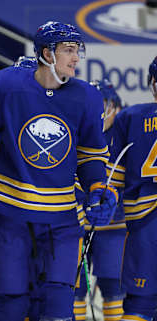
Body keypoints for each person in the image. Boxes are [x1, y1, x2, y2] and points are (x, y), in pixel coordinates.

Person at [0, 21, 118, 321]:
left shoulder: (87, 97)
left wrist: (97, 189)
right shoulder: (7, 85)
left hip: (62, 221)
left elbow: (90, 155)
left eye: (77, 51)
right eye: (68, 50)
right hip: (10, 217)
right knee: (11, 304)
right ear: (46, 53)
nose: (76, 58)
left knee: (57, 306)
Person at [109, 56, 157, 321]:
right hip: (145, 226)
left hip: (144, 225)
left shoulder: (130, 117)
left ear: (152, 83)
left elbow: (111, 179)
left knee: (139, 306)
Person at [73, 79, 126, 321]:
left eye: (105, 104)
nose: (101, 111)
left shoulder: (125, 131)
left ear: (115, 105)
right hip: (78, 222)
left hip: (114, 226)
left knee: (113, 288)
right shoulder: (76, 128)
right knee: (74, 288)